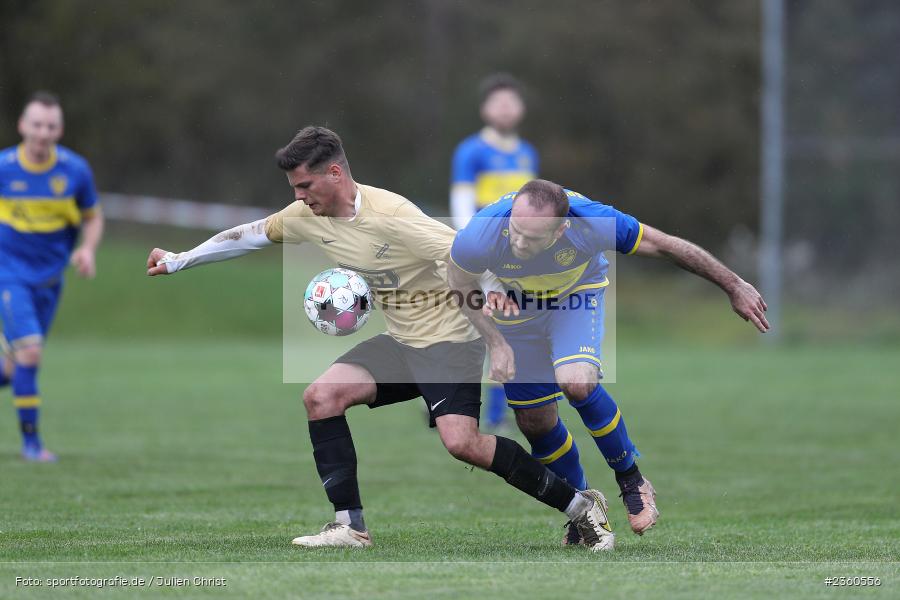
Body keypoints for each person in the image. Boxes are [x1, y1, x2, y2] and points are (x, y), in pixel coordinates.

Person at [146, 127, 616, 552]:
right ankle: (349, 527)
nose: (299, 196)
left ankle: (581, 507)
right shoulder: (305, 216)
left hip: (450, 341)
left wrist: (495, 303)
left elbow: (465, 257)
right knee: (321, 396)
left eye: (305, 185)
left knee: (463, 444)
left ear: (334, 173)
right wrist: (181, 259)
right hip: (401, 342)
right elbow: (247, 236)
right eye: (294, 188)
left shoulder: (393, 216)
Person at [447, 179, 769, 539]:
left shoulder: (593, 222)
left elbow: (663, 246)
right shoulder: (482, 232)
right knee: (535, 422)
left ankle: (632, 480)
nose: (519, 242)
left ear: (561, 230)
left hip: (576, 297)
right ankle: (583, 506)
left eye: (532, 238)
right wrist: (496, 340)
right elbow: (459, 282)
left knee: (577, 382)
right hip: (519, 309)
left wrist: (733, 284)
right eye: (515, 232)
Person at [0, 92, 104, 462]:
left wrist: (87, 250)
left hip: (50, 280)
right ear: (22, 126)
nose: (43, 132)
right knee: (30, 353)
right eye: (37, 124)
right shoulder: (4, 167)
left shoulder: (75, 171)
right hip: (9, 275)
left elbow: (92, 217)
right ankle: (31, 445)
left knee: (12, 368)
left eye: (51, 126)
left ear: (59, 129)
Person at [450, 73, 538, 432]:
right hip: (485, 254)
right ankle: (477, 412)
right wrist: (473, 248)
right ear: (486, 109)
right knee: (488, 327)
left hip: (520, 254)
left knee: (511, 327)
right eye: (498, 101)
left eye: (511, 101)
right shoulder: (471, 150)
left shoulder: (526, 153)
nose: (505, 108)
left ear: (521, 108)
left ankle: (499, 413)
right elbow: (461, 201)